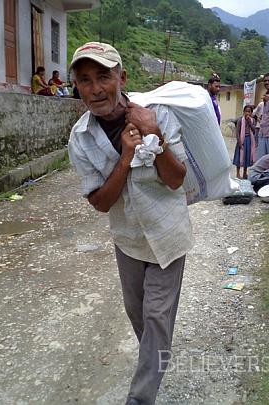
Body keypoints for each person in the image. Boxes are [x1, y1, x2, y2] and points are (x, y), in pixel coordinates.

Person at [67, 41, 193, 405]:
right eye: (85, 80)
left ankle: (140, 396)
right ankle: (155, 356)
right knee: (138, 315)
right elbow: (101, 203)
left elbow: (175, 179)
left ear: (121, 77)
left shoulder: (157, 115)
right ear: (77, 86)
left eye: (103, 77)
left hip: (168, 234)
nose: (95, 89)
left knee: (155, 317)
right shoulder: (81, 139)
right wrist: (125, 157)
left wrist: (156, 135)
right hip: (128, 241)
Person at [232, 105, 257, 179]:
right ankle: (237, 173)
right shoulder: (240, 120)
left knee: (246, 157)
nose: (247, 113)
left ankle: (245, 173)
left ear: (251, 113)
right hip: (241, 140)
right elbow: (237, 132)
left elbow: (254, 130)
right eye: (246, 111)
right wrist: (239, 142)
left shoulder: (253, 120)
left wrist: (249, 122)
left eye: (249, 111)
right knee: (239, 157)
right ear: (243, 112)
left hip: (249, 140)